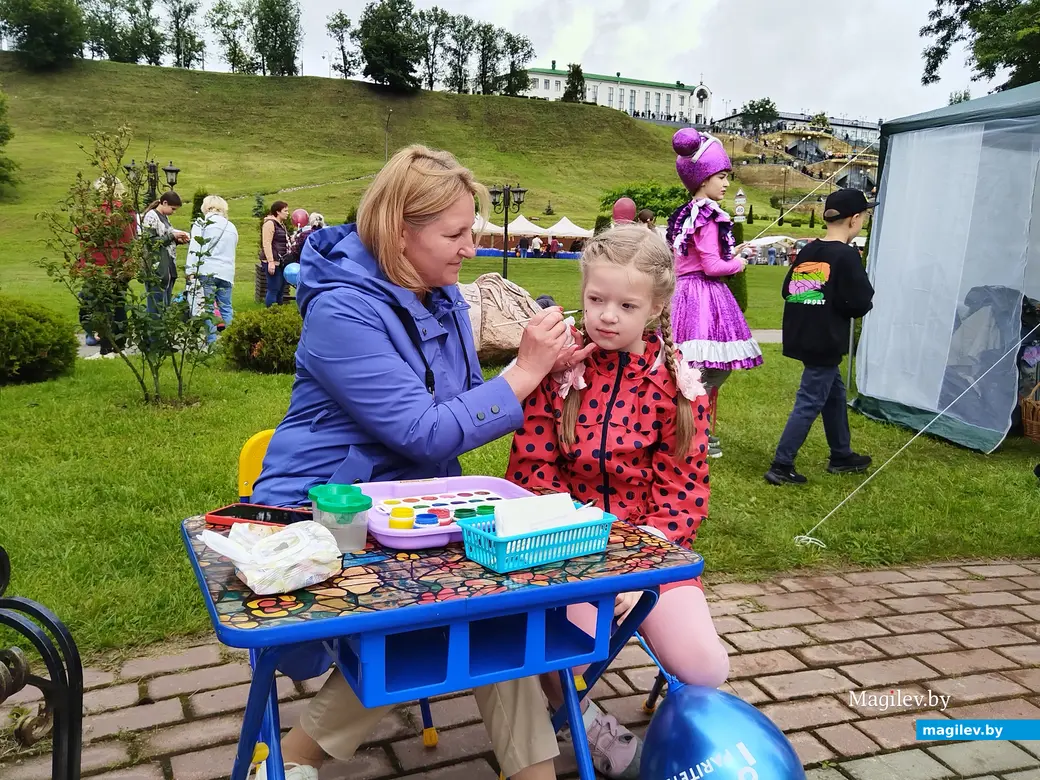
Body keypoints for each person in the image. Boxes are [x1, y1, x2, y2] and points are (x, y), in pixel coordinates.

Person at [250, 144, 592, 780]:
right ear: (397, 230)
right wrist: (524, 370)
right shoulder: (341, 309)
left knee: (488, 608)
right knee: (463, 612)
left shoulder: (445, 296)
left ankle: (294, 760)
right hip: (324, 513)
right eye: (455, 234)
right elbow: (424, 432)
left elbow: (459, 407)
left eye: (471, 232)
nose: (470, 248)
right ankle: (293, 758)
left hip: (409, 506)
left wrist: (544, 375)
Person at [505, 224, 729, 780]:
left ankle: (689, 734)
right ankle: (579, 717)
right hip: (567, 551)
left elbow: (684, 491)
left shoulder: (677, 388)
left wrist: (637, 570)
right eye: (596, 299)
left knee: (705, 668)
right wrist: (577, 557)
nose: (607, 315)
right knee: (568, 654)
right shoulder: (558, 376)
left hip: (650, 556)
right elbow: (533, 475)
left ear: (655, 308)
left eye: (626, 304)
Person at [765, 188, 876, 485]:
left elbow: (790, 290)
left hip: (804, 334)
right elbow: (860, 301)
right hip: (826, 339)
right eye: (864, 216)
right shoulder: (847, 256)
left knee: (834, 393)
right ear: (854, 219)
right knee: (810, 399)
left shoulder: (809, 250)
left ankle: (841, 454)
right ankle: (781, 464)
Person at [666, 129, 763, 458]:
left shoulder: (688, 213)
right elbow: (710, 266)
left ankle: (690, 430)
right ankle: (694, 432)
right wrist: (738, 264)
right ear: (703, 178)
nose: (725, 183)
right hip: (702, 295)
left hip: (684, 292)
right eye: (721, 176)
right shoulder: (708, 215)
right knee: (709, 369)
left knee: (691, 365)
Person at [77, 176, 137, 356]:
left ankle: (105, 348)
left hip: (100, 265)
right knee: (119, 304)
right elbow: (131, 238)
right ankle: (120, 347)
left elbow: (83, 236)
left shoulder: (97, 213)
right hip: (122, 265)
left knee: (102, 308)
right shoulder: (128, 213)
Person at [184, 195, 239, 344]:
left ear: (205, 207)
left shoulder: (202, 224)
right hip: (227, 272)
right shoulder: (231, 226)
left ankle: (211, 341)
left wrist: (190, 271)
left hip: (207, 271)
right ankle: (232, 341)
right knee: (226, 307)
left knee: (208, 308)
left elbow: (194, 248)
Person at [140, 191, 190, 313]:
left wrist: (177, 240)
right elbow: (150, 241)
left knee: (165, 304)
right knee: (156, 304)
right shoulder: (151, 216)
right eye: (172, 209)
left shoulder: (164, 217)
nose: (173, 212)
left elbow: (164, 239)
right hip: (157, 266)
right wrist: (172, 236)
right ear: (164, 203)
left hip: (167, 265)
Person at [260, 200, 290, 307]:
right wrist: (271, 262)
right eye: (285, 211)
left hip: (281, 262)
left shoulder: (280, 225)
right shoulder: (270, 224)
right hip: (273, 262)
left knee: (281, 289)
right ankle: (270, 313)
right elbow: (266, 243)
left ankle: (279, 314)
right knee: (274, 288)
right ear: (278, 212)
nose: (287, 213)